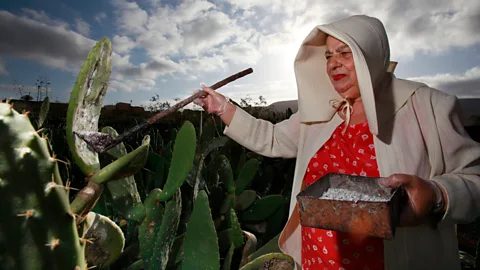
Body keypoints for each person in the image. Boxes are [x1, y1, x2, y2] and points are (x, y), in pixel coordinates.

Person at [194, 15, 480, 270]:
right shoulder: (325, 111)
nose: (333, 64)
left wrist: (438, 195)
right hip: (315, 259)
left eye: (345, 52)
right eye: (328, 56)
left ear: (371, 55)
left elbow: (474, 179)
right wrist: (223, 108)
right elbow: (272, 139)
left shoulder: (428, 105)